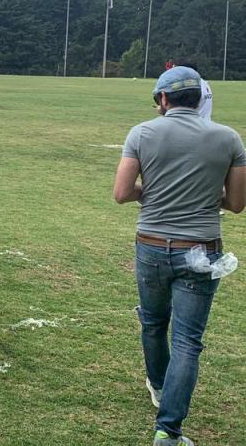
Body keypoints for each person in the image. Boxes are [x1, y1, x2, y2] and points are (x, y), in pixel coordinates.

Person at [113, 66, 245, 446]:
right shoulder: (229, 138)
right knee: (188, 340)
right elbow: (237, 203)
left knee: (153, 322)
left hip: (152, 244)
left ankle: (159, 385)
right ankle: (168, 431)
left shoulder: (141, 133)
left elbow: (122, 193)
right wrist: (205, 197)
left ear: (163, 99)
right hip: (202, 250)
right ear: (199, 98)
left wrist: (151, 193)